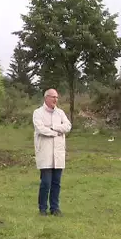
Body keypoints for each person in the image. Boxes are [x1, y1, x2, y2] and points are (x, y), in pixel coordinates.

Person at [32, 88, 72, 216]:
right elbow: (41, 129)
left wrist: (53, 127)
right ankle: (42, 208)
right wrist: (57, 132)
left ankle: (55, 208)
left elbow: (67, 126)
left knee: (56, 183)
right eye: (53, 97)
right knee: (46, 183)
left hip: (58, 153)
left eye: (57, 97)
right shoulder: (38, 113)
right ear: (46, 98)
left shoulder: (60, 113)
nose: (55, 99)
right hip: (45, 152)